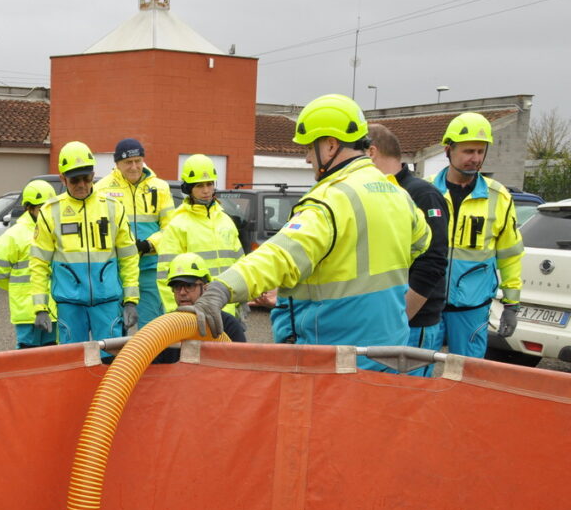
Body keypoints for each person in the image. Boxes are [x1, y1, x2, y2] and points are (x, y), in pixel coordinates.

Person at [183, 94, 431, 372]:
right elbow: (421, 243)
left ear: (330, 145)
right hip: (386, 352)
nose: (306, 158)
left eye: (309, 149)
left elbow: (280, 256)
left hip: (333, 360)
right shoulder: (397, 194)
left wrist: (222, 289)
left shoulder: (331, 201)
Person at [431, 112, 523, 358]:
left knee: (468, 376)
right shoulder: (426, 193)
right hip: (427, 301)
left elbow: (510, 253)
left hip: (472, 308)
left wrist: (512, 304)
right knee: (416, 374)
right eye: (468, 151)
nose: (475, 159)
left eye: (480, 152)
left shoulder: (499, 197)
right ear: (448, 150)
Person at [29, 141, 140, 344]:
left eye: (87, 178)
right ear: (63, 179)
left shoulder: (112, 208)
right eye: (74, 180)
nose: (82, 185)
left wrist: (131, 301)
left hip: (107, 303)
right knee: (74, 362)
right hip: (69, 305)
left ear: (93, 175)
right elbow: (38, 264)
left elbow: (129, 257)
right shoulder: (50, 212)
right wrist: (40, 308)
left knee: (110, 362)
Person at [367, 123, 449, 375]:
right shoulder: (377, 193)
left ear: (371, 153)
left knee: (410, 401)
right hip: (386, 321)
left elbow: (433, 262)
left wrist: (400, 319)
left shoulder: (423, 194)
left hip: (413, 323)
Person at [155, 154, 245, 326]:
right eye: (199, 185)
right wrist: (175, 314)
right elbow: (165, 275)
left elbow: (239, 265)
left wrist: (242, 299)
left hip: (226, 309)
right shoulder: (178, 225)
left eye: (210, 184)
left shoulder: (225, 221)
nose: (206, 190)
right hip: (195, 314)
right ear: (188, 188)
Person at [95, 138, 174, 328]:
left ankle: (152, 359)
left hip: (149, 268)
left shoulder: (160, 187)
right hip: (115, 269)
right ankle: (114, 360)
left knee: (152, 329)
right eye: (128, 162)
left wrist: (148, 244)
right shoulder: (101, 189)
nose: (134, 167)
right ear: (117, 164)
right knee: (113, 326)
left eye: (138, 161)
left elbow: (171, 228)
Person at [0, 179, 60, 348]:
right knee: (27, 355)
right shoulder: (13, 236)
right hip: (27, 310)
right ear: (29, 207)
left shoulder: (56, 231)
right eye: (41, 208)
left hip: (53, 309)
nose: (47, 213)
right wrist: (19, 289)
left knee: (52, 353)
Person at [166, 252, 246, 342]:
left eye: (189, 286)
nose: (182, 292)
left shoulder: (228, 325)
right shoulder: (167, 326)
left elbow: (242, 356)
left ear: (205, 287)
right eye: (177, 287)